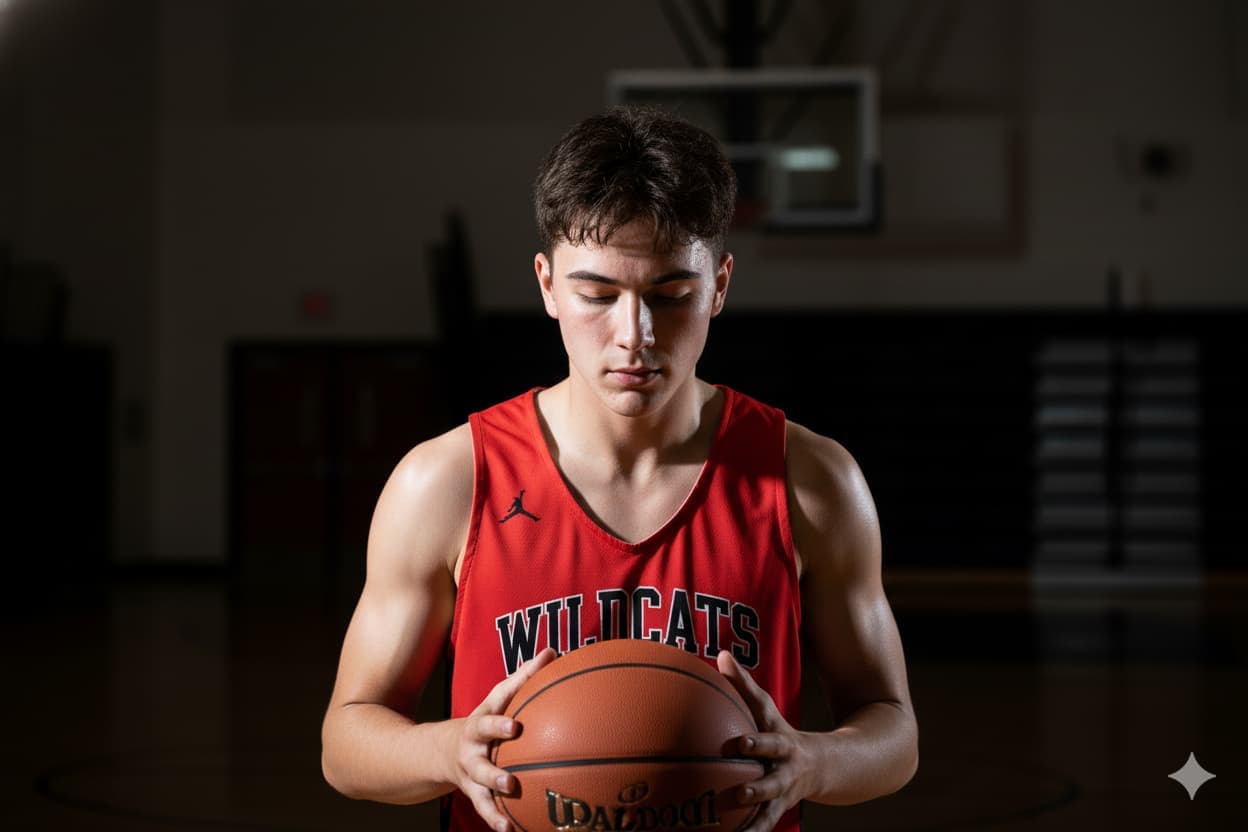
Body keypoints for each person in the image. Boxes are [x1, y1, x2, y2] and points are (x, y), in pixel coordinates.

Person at [321, 106, 918, 832]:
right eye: (597, 295)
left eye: (671, 296)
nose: (633, 334)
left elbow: (894, 733)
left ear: (720, 285)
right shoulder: (448, 480)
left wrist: (813, 763)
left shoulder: (810, 479)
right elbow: (345, 745)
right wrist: (449, 751)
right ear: (546, 285)